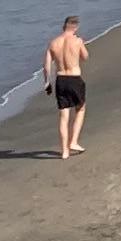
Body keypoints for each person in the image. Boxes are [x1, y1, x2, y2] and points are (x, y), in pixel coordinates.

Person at [42, 14, 91, 160]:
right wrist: (80, 45)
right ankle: (74, 141)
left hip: (61, 80)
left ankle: (64, 151)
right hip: (74, 78)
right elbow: (85, 57)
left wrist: (47, 83)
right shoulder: (77, 40)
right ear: (75, 27)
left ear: (64, 26)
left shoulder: (53, 43)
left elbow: (46, 66)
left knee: (64, 116)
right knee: (80, 108)